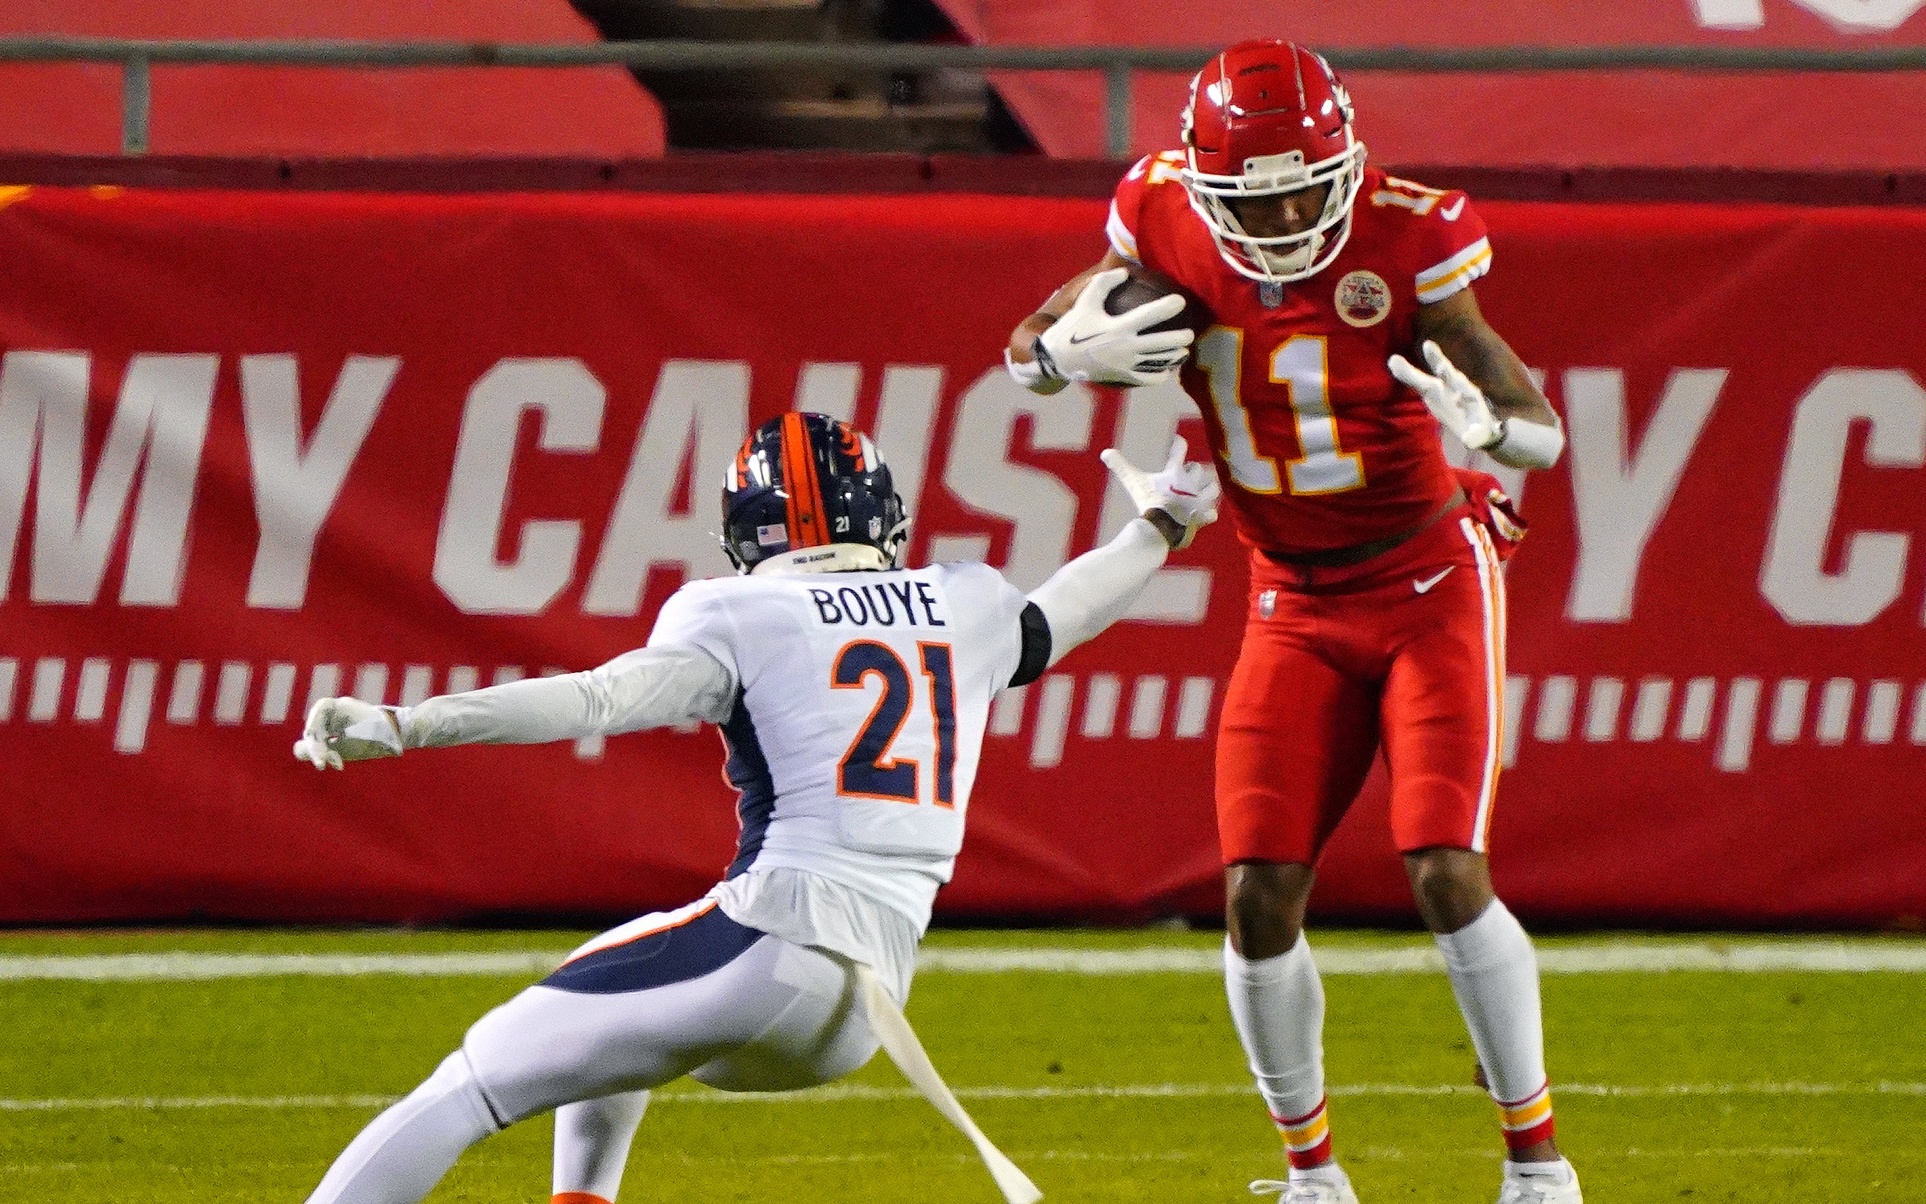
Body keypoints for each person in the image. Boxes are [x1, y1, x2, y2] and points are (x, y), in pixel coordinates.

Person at [290, 411, 1220, 1204]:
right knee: (614, 975)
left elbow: (595, 701)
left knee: (469, 1085)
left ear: (747, 531)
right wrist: (1159, 526)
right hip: (865, 1005)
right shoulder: (963, 599)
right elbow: (1067, 607)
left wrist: (408, 725)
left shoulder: (736, 613)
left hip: (762, 952)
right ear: (884, 518)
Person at [1005, 40, 1579, 1204]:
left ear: (1347, 161)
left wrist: (1496, 432)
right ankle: (1312, 1176)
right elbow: (1029, 340)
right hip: (1289, 595)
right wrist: (1053, 361)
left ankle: (1537, 1165)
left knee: (1442, 867)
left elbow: (1537, 422)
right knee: (1257, 892)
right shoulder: (1160, 214)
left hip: (1425, 579)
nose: (1286, 219)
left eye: (1307, 190)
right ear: (1204, 183)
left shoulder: (1409, 237)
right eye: (1256, 199)